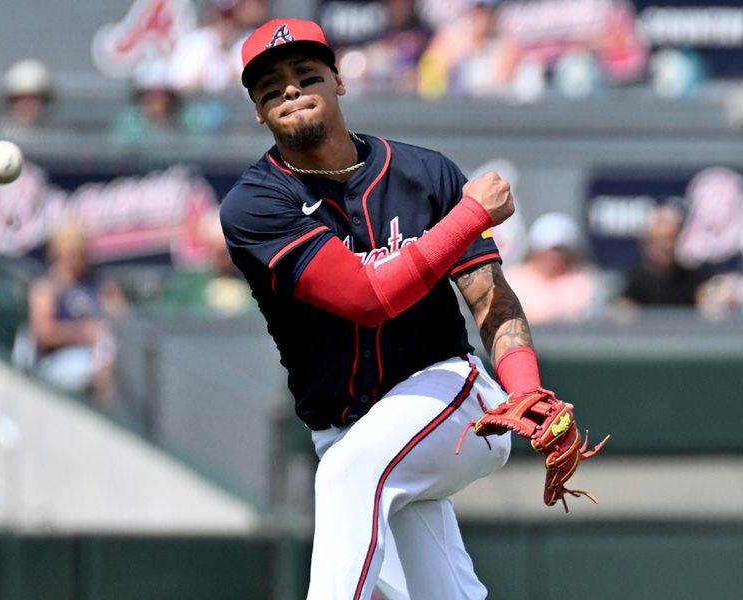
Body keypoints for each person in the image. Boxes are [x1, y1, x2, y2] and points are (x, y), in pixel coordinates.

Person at [220, 18, 598, 599]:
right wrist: (470, 215)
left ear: (338, 81)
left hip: (449, 397)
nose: (290, 89)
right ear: (257, 110)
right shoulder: (256, 204)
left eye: (305, 74)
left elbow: (489, 295)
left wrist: (523, 385)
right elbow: (366, 299)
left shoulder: (424, 173)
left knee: (350, 478)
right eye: (270, 85)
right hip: (349, 432)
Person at [26, 223, 128, 405]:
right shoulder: (46, 287)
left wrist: (110, 314)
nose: (74, 258)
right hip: (57, 361)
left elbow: (124, 318)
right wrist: (83, 333)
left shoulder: (99, 283)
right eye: (69, 251)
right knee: (102, 358)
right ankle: (104, 412)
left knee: (114, 354)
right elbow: (43, 333)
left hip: (102, 353)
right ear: (57, 252)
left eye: (78, 252)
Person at [504, 212, 606, 323]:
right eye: (548, 251)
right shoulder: (512, 280)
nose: (554, 257)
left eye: (560, 251)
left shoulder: (585, 282)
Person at [0, 58, 54, 146]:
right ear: (10, 103)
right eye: (21, 99)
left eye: (34, 99)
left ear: (44, 102)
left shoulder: (56, 138)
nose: (27, 105)